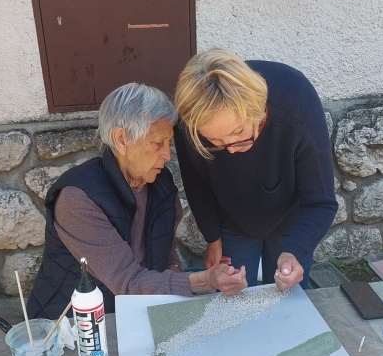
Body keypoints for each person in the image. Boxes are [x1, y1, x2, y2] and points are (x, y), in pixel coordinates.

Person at [27, 83, 247, 318]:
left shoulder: (160, 183)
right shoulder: (78, 199)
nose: (167, 154)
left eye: (169, 142)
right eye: (157, 143)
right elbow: (127, 282)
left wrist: (174, 277)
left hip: (135, 309)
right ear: (121, 139)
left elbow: (166, 250)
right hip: (74, 322)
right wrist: (206, 280)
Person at [173, 48, 338, 290]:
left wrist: (294, 252)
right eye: (214, 142)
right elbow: (196, 183)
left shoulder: (297, 104)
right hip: (231, 219)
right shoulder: (190, 118)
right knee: (234, 297)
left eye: (238, 134)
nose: (230, 150)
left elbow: (321, 202)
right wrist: (213, 238)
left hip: (290, 220)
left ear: (260, 111)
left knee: (287, 297)